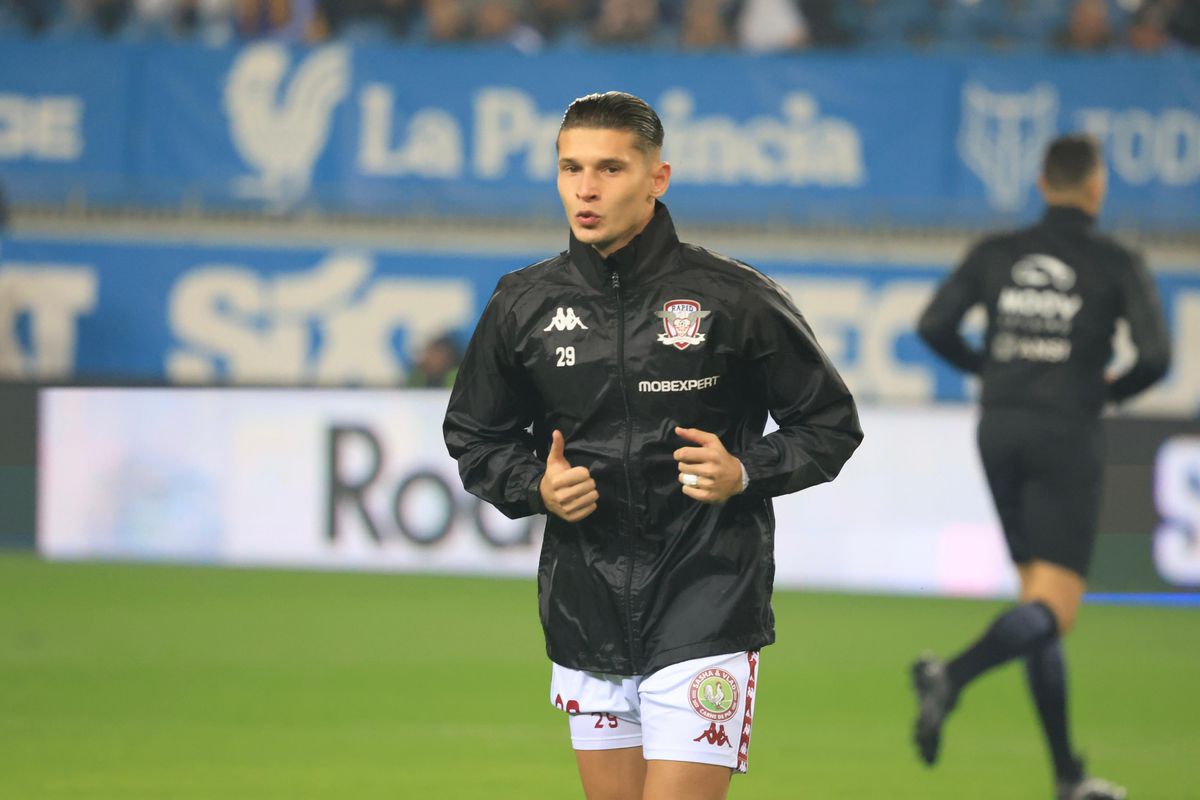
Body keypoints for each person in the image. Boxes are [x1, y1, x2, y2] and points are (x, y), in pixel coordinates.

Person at [443, 91, 861, 799]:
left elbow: (829, 423)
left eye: (610, 168)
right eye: (571, 168)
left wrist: (745, 471)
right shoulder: (522, 303)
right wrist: (534, 485)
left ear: (656, 178)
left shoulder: (734, 298)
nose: (586, 188)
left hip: (706, 601)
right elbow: (475, 435)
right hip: (586, 611)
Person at [912, 133, 1171, 800]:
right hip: (1066, 433)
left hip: (998, 428)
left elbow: (935, 325)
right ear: (1096, 187)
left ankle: (1066, 776)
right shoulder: (1114, 261)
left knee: (1036, 599)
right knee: (1058, 607)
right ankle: (952, 676)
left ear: (1040, 183)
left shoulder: (996, 252)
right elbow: (1156, 356)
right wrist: (1106, 391)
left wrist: (992, 371)